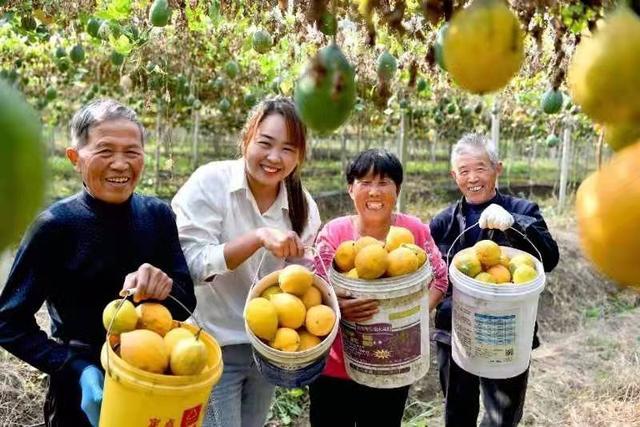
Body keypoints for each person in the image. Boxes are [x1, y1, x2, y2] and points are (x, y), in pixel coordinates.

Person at [0, 99, 196, 427]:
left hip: (153, 382)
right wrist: (74, 367)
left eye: (132, 152)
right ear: (75, 159)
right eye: (105, 151)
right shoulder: (55, 227)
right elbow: (8, 321)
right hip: (80, 391)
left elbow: (185, 302)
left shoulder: (158, 216)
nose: (120, 164)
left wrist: (164, 288)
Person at [171, 96, 321, 427]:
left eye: (288, 149)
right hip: (209, 345)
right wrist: (257, 238)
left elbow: (300, 284)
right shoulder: (210, 184)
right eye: (265, 143)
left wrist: (302, 266)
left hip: (268, 349)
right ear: (246, 138)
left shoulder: (303, 207)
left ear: (300, 156)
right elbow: (189, 265)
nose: (274, 157)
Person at [311, 148, 449, 426]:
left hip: (392, 364)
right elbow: (315, 288)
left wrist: (409, 313)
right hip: (336, 367)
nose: (374, 191)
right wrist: (338, 308)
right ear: (351, 189)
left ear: (397, 190)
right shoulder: (334, 233)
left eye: (384, 182)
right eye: (365, 182)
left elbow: (440, 280)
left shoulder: (413, 231)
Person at [430, 133, 560, 426]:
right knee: (457, 413)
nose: (472, 178)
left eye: (481, 168)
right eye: (464, 171)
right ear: (454, 176)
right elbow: (432, 273)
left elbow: (549, 258)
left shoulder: (524, 211)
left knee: (502, 417)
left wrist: (515, 226)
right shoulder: (443, 221)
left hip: (507, 331)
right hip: (455, 331)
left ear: (497, 168)